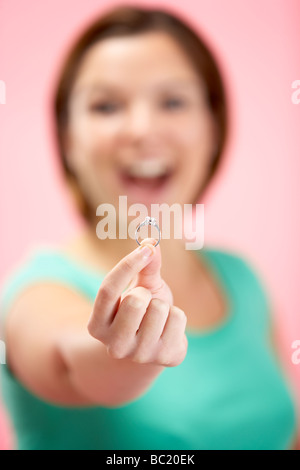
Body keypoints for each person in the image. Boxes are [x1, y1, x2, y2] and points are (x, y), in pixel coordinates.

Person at [0, 5, 297, 450]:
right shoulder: (35, 293)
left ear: (212, 128)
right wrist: (122, 353)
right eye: (106, 106)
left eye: (173, 102)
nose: (142, 129)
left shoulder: (243, 278)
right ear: (68, 138)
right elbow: (71, 356)